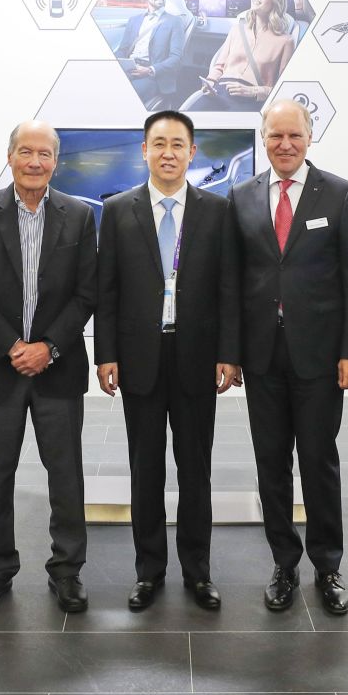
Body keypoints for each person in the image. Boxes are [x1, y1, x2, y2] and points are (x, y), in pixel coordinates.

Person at [94, 110, 242, 611]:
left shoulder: (216, 210)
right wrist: (106, 354)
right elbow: (107, 290)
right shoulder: (118, 209)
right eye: (159, 143)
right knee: (146, 469)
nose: (168, 153)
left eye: (178, 144)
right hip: (140, 357)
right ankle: (148, 571)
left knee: (195, 469)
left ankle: (198, 572)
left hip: (197, 357)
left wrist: (229, 353)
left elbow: (228, 288)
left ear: (192, 152)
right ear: (144, 150)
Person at [0, 120, 97, 616]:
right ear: (10, 155)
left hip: (58, 368)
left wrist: (48, 347)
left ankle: (67, 570)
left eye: (44, 154)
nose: (35, 162)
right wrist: (13, 345)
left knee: (66, 474)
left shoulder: (79, 215)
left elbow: (86, 293)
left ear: (56, 161)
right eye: (25, 152)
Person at [230, 99, 348, 615]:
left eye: (294, 135)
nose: (285, 145)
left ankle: (327, 565)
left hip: (320, 357)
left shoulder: (340, 193)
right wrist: (232, 352)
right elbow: (234, 281)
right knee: (271, 464)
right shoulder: (241, 196)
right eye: (276, 135)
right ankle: (284, 563)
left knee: (318, 461)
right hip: (262, 356)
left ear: (310, 137)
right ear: (263, 138)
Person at [185, 0, 296, 112]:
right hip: (219, 91)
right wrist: (210, 82)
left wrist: (253, 91)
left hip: (249, 98)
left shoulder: (286, 41)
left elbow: (284, 89)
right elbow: (219, 66)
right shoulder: (237, 30)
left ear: (276, 2)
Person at [114, 0, 187, 109]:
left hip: (153, 76)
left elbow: (176, 58)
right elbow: (122, 49)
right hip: (129, 69)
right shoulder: (134, 20)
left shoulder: (175, 21)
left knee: (123, 97)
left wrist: (149, 70)